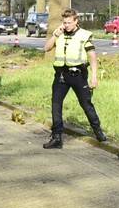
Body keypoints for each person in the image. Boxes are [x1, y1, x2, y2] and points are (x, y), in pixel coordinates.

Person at [42, 9, 106, 149]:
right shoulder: (59, 34)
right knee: (56, 104)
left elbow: (93, 57)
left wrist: (94, 77)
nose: (66, 25)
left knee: (86, 104)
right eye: (64, 22)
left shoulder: (84, 35)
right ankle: (56, 137)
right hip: (61, 75)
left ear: (76, 21)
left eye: (69, 22)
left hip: (78, 75)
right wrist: (55, 35)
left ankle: (98, 132)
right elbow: (46, 48)